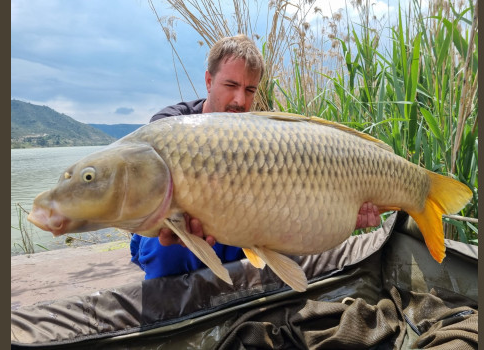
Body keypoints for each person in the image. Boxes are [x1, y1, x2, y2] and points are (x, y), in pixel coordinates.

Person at [130, 34, 381, 280]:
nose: (240, 100)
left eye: (250, 90)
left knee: (279, 240)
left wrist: (339, 216)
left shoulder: (261, 135)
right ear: (208, 81)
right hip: (186, 231)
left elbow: (290, 204)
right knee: (164, 248)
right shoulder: (170, 127)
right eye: (231, 86)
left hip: (241, 224)